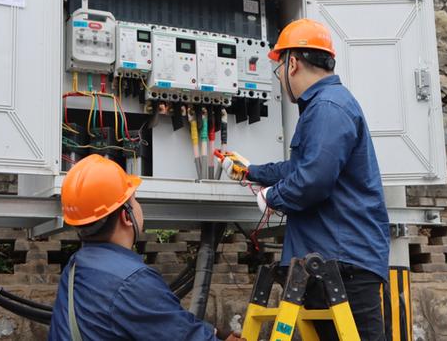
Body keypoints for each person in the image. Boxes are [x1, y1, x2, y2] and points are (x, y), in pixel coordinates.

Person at [221, 19, 390, 340]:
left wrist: (272, 197)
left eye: (279, 67)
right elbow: (302, 168)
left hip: (343, 264)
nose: (281, 77)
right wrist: (252, 170)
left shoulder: (327, 108)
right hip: (333, 262)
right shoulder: (326, 107)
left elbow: (312, 181)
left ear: (293, 63)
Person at [49, 154, 244, 341]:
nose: (138, 205)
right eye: (134, 199)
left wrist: (213, 331)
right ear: (127, 216)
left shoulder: (76, 266)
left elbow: (164, 323)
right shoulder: (133, 281)